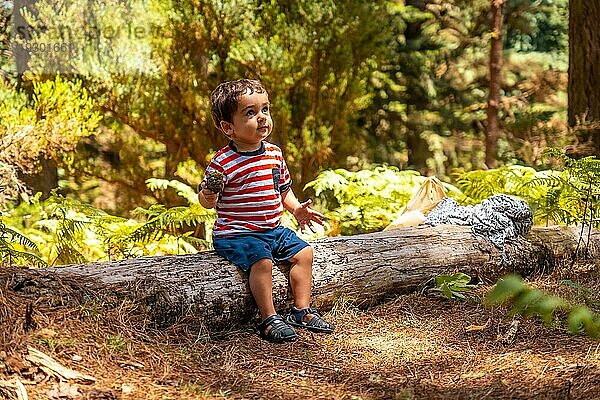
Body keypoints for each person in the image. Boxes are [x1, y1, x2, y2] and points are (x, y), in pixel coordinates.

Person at [198, 79, 334, 343]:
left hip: (272, 229)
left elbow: (283, 190)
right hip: (237, 234)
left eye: (265, 110)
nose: (262, 118)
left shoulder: (274, 153)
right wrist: (207, 195)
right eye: (250, 113)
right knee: (262, 263)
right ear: (228, 127)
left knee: (305, 252)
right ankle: (269, 318)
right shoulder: (223, 161)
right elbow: (207, 200)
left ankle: (301, 310)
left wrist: (297, 210)